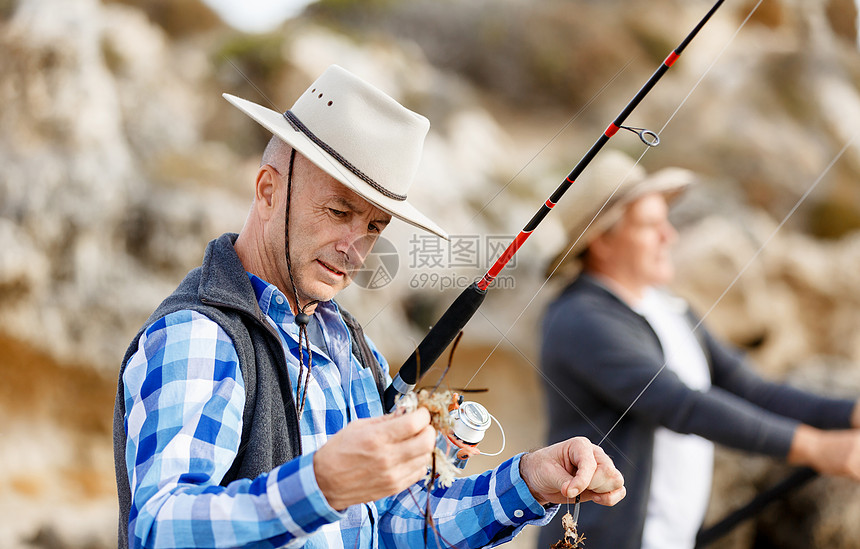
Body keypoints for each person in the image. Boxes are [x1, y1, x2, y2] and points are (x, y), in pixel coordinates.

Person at [113, 64, 625, 549]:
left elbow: (399, 524)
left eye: (375, 226)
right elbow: (162, 527)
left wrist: (531, 480)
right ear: (268, 189)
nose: (355, 245)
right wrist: (322, 485)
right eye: (339, 211)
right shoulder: (200, 335)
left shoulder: (350, 348)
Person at [535, 150, 860, 549]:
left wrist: (849, 414)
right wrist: (817, 448)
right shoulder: (580, 318)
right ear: (602, 241)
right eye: (651, 225)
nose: (668, 236)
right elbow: (680, 404)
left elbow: (754, 390)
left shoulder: (670, 308)